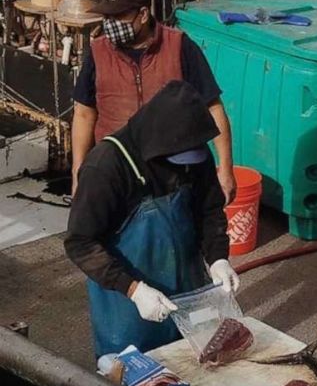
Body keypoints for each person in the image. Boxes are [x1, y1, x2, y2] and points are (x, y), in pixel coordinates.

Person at [65, 80, 239, 361]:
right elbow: (80, 243)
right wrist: (134, 290)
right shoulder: (106, 167)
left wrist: (219, 257)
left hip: (186, 284)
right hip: (127, 302)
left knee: (197, 366)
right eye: (178, 159)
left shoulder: (193, 152)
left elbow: (209, 209)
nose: (185, 167)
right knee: (132, 383)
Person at [71, 0, 235, 203]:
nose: (110, 24)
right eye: (106, 17)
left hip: (172, 173)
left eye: (117, 16)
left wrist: (225, 169)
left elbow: (213, 108)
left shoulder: (179, 46)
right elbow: (83, 114)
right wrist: (79, 173)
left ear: (144, 14)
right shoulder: (98, 53)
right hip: (115, 170)